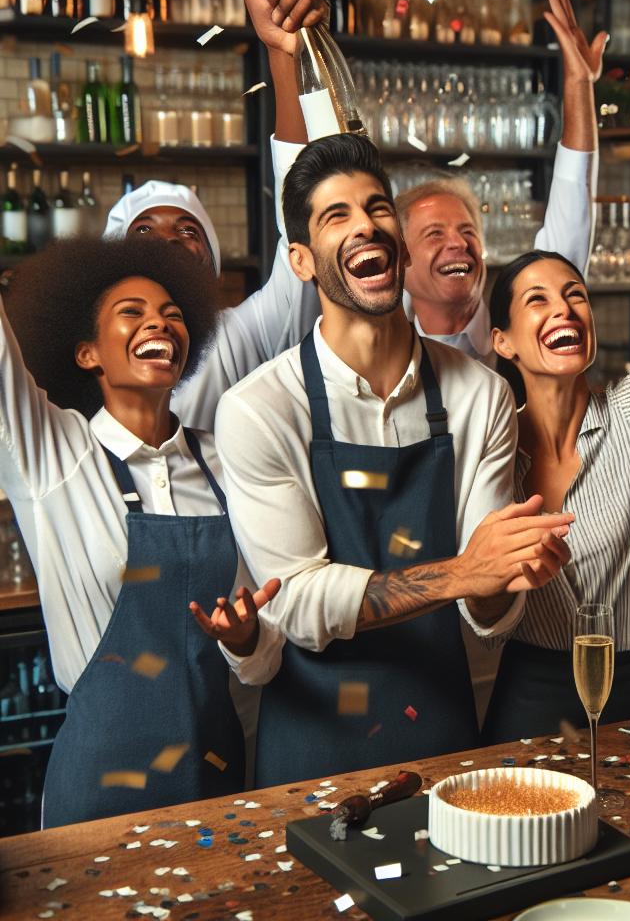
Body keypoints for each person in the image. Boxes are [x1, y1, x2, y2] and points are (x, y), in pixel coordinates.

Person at [214, 133, 574, 787]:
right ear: (301, 260)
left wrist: (507, 577)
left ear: (401, 247)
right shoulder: (259, 409)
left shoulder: (479, 395)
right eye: (337, 216)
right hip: (311, 746)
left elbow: (484, 613)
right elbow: (297, 601)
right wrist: (466, 570)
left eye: (377, 209)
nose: (365, 226)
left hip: (441, 732)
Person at [480, 0, 630, 742]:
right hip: (529, 683)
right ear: (503, 341)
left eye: (575, 294)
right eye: (538, 300)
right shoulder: (485, 443)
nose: (565, 309)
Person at [0, 237, 278, 827]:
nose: (160, 322)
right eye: (133, 312)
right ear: (86, 354)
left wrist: (248, 639)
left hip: (220, 770)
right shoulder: (53, 455)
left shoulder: (226, 460)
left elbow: (262, 659)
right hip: (102, 782)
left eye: (173, 315)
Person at [101, 0, 326, 431]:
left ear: (213, 264)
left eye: (188, 230)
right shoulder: (82, 351)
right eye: (145, 230)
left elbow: (303, 217)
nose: (168, 239)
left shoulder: (241, 334)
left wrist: (283, 56)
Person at [394, 0, 601, 365]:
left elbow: (571, 215)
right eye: (435, 234)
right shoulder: (383, 346)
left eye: (467, 230)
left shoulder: (519, 327)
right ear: (400, 259)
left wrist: (578, 83)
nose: (458, 243)